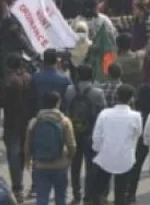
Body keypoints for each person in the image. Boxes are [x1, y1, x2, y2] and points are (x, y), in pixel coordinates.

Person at [89, 85, 142, 205]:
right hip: (125, 158)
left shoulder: (104, 113)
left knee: (98, 190)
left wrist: (98, 149)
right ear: (131, 98)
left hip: (105, 157)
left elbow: (96, 136)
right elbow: (137, 134)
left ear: (116, 96)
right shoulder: (136, 116)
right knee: (121, 192)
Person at [63, 65, 106, 204]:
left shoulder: (69, 90)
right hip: (90, 133)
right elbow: (103, 113)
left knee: (75, 166)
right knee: (91, 166)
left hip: (73, 132)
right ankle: (88, 196)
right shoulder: (98, 92)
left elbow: (66, 110)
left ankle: (76, 194)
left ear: (77, 76)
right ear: (91, 76)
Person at [25, 91, 77, 205]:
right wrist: (69, 158)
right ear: (58, 103)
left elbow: (28, 145)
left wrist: (28, 161)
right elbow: (72, 145)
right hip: (60, 164)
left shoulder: (34, 121)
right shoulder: (64, 121)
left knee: (42, 197)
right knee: (61, 196)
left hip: (40, 164)